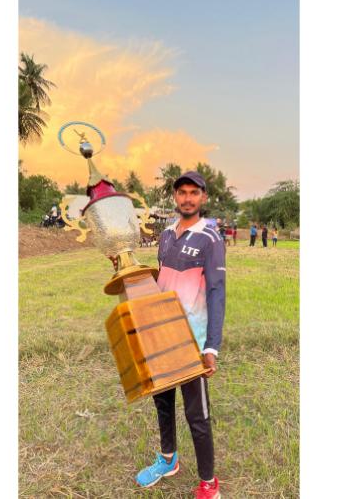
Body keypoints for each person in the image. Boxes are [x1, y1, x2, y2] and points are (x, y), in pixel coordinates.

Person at [124, 170, 225, 498]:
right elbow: (162, 282)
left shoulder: (210, 237)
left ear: (203, 197)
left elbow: (216, 292)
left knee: (197, 415)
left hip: (190, 340)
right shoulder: (166, 235)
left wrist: (211, 346)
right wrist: (126, 270)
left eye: (194, 193)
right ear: (175, 197)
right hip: (160, 336)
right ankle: (168, 460)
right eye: (182, 192)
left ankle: (208, 483)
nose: (187, 198)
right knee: (163, 402)